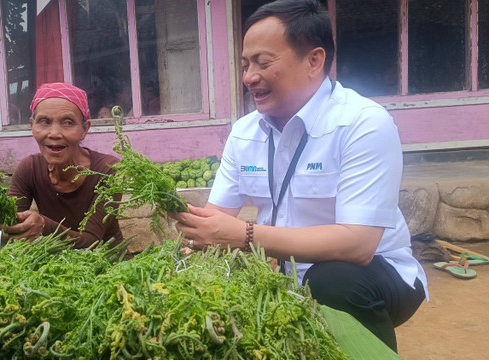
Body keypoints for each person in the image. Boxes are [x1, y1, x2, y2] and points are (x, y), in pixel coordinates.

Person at [172, 0, 426, 352]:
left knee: (333, 280)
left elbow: (358, 244)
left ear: (314, 60)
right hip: (283, 271)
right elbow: (216, 220)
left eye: (263, 63)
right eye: (245, 65)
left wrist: (246, 235)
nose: (249, 77)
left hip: (374, 273)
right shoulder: (245, 132)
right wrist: (186, 238)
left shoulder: (362, 123)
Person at [0, 82, 123, 248]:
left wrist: (44, 227)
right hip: (51, 266)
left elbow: (91, 242)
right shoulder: (29, 169)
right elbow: (9, 228)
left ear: (84, 129)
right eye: (44, 122)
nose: (54, 133)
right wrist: (2, 232)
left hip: (110, 266)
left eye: (68, 123)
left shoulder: (108, 171)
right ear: (32, 126)